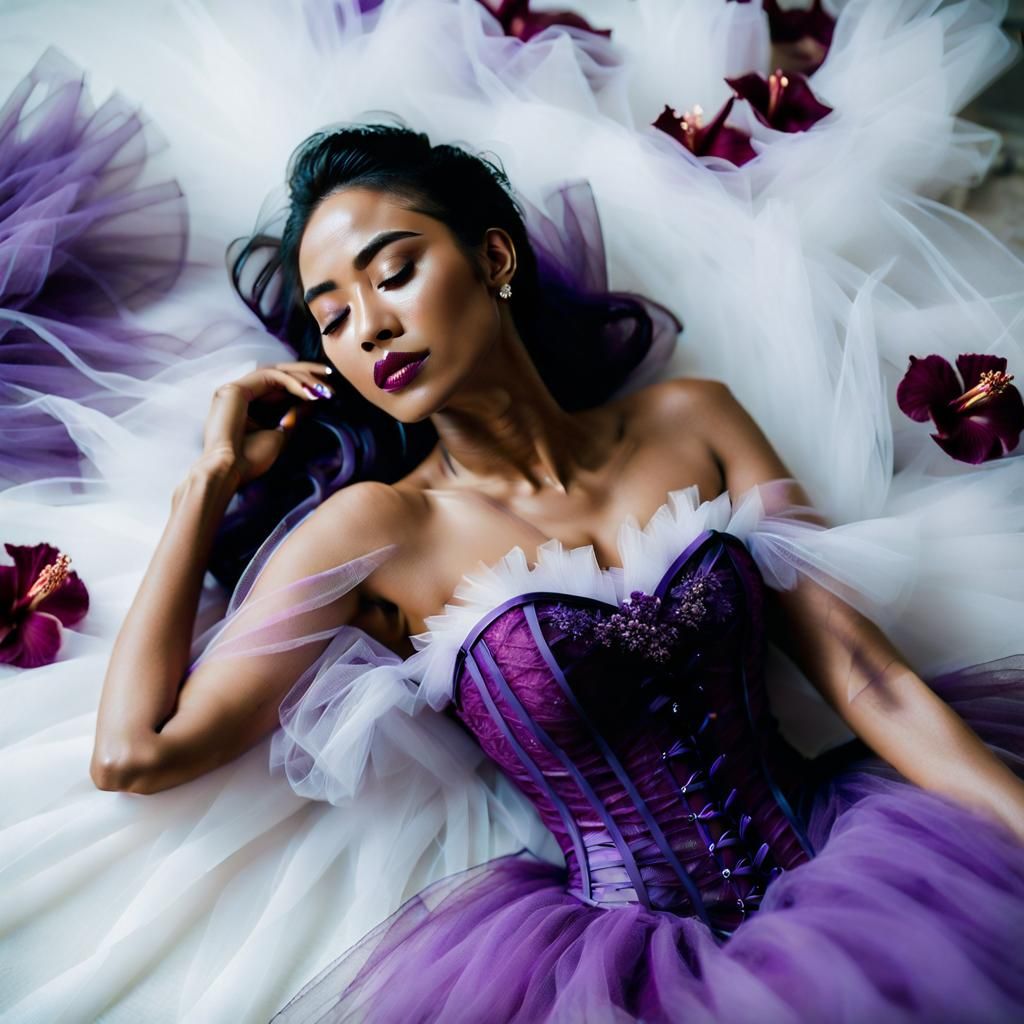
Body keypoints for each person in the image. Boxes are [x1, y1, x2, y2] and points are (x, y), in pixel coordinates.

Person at [2, 1, 1024, 1022]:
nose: (372, 326)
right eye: (334, 316)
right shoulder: (373, 534)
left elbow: (865, 675)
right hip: (617, 978)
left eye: (394, 270)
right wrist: (207, 486)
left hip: (864, 873)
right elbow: (137, 752)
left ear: (493, 259)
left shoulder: (691, 418)